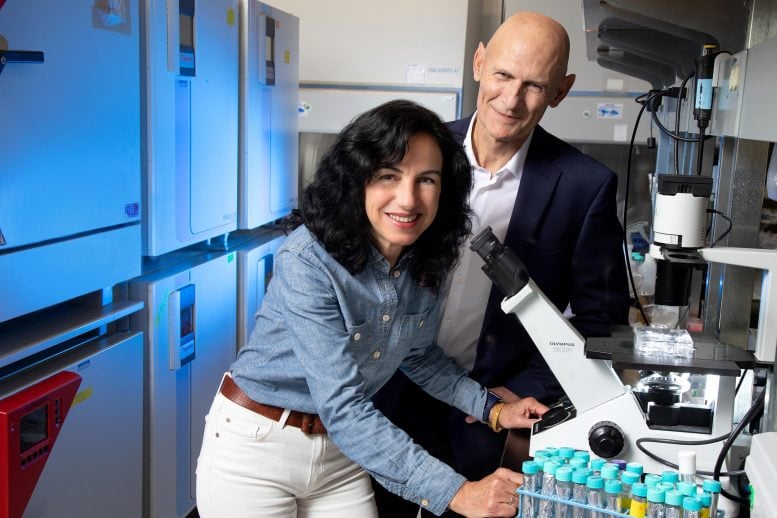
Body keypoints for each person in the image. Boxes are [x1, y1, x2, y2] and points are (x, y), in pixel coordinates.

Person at [195, 99, 549, 518]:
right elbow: (344, 405)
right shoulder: (308, 259)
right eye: (388, 175)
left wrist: (494, 409)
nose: (408, 198)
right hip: (258, 447)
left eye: (427, 180)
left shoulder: (424, 259)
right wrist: (458, 493)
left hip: (341, 454)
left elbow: (419, 357)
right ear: (356, 180)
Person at [372, 12, 630, 517]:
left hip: (489, 418)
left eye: (535, 85)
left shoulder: (584, 186)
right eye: (504, 76)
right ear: (479, 63)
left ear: (561, 90)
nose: (511, 101)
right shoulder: (412, 154)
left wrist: (530, 389)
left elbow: (602, 321)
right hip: (389, 401)